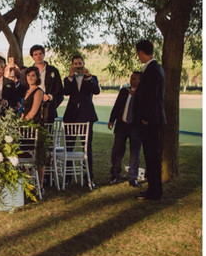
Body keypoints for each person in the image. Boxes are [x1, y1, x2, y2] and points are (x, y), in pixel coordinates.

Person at [133, 40, 166, 201]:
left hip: (150, 121)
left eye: (138, 53)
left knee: (153, 157)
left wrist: (145, 118)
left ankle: (155, 192)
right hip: (153, 120)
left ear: (140, 52)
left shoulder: (152, 69)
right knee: (151, 156)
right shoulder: (156, 68)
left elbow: (152, 97)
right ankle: (153, 189)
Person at [62, 54, 101, 186]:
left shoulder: (92, 78)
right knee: (69, 146)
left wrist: (88, 77)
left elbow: (96, 91)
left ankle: (89, 176)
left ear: (84, 63)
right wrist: (71, 77)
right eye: (75, 63)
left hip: (86, 116)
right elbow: (66, 92)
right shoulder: (68, 79)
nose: (78, 65)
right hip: (71, 116)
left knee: (87, 147)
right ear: (72, 65)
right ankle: (68, 177)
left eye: (80, 63)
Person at [108, 71, 143, 187]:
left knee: (135, 152)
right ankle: (115, 175)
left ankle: (133, 178)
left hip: (136, 127)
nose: (132, 80)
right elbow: (117, 106)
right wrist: (111, 120)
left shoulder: (143, 93)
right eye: (131, 78)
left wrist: (137, 95)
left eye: (135, 79)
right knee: (117, 150)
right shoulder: (124, 91)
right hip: (122, 125)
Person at [21, 66, 48, 185]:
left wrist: (23, 122)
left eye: (33, 75)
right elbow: (25, 110)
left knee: (39, 156)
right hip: (25, 127)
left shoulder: (38, 91)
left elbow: (33, 111)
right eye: (28, 75)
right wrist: (19, 121)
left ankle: (40, 184)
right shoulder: (27, 91)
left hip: (34, 127)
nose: (30, 78)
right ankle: (27, 180)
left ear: (37, 77)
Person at [28, 45, 64, 125]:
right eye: (35, 54)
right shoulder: (29, 71)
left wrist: (50, 96)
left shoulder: (53, 70)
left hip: (48, 108)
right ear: (32, 56)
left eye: (40, 53)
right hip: (32, 106)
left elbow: (59, 89)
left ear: (44, 54)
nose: (38, 56)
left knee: (48, 134)